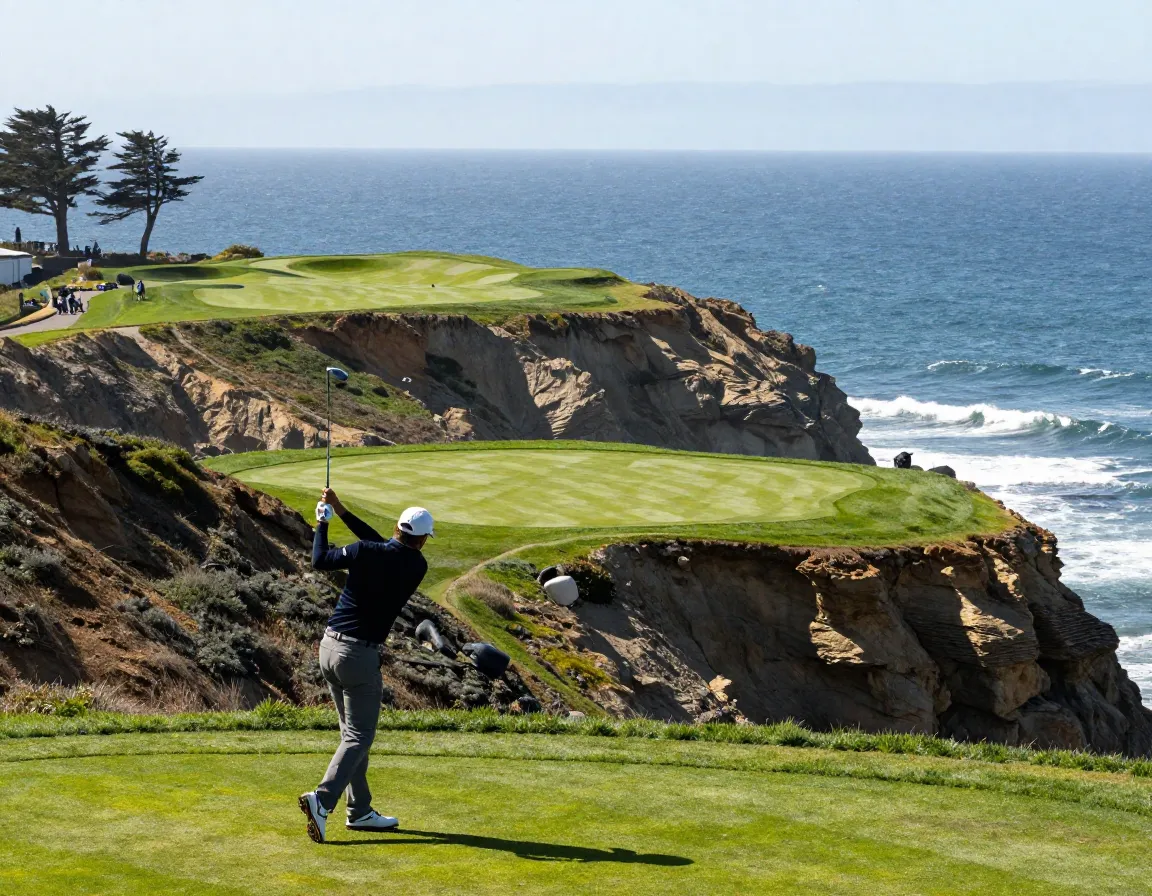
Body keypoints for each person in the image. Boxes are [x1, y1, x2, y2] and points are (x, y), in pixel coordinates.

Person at [298, 488, 435, 844]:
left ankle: (359, 811)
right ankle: (322, 800)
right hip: (359, 657)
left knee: (352, 737)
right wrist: (340, 510)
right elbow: (384, 546)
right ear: (422, 541)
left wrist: (322, 523)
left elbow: (320, 559)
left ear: (396, 527)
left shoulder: (365, 552)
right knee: (359, 737)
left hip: (328, 648)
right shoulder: (417, 565)